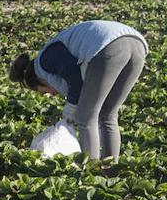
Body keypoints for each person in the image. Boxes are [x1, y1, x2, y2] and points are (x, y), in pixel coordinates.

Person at [9, 20, 147, 160]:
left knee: (86, 117)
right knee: (108, 114)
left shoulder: (45, 59)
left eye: (44, 91)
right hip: (136, 43)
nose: (51, 94)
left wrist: (71, 107)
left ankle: (91, 171)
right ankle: (111, 170)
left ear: (41, 80)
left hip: (109, 46)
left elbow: (75, 79)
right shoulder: (50, 54)